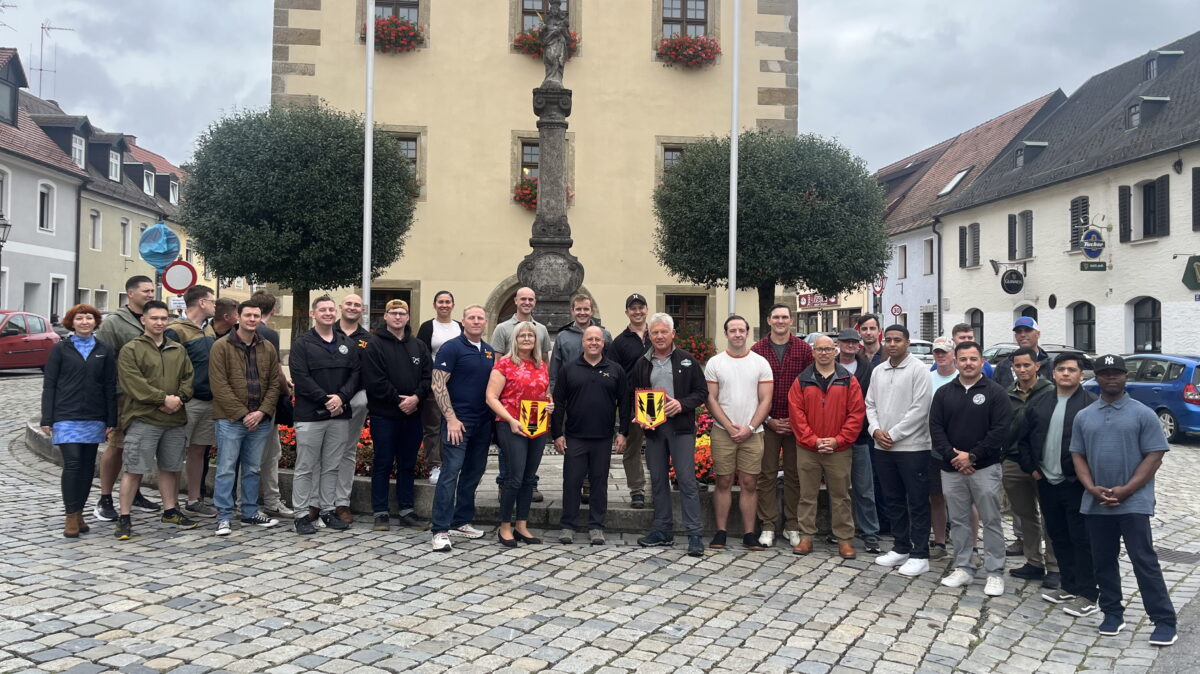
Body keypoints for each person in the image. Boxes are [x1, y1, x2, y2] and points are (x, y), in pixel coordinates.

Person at [1070, 354, 1177, 646]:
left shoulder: (1142, 413)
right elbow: (1077, 454)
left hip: (1134, 502)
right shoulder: (1084, 416)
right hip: (1096, 502)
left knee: (1144, 560)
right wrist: (1090, 487)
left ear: (1125, 376)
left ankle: (1164, 620)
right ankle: (1112, 613)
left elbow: (1155, 454)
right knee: (1103, 561)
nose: (1111, 378)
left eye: (1116, 373)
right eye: (1105, 373)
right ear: (1097, 377)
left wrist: (1128, 489)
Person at [1016, 352, 1100, 617]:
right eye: (1061, 369)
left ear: (1081, 375)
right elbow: (1024, 440)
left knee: (1081, 538)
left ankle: (1088, 593)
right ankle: (1069, 585)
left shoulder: (1091, 405)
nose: (1066, 374)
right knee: (1058, 536)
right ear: (1052, 373)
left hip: (1076, 483)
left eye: (1071, 370)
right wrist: (1032, 470)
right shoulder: (1039, 403)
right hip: (1047, 481)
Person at [929, 341, 1012, 597]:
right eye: (963, 359)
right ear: (956, 360)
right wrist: (953, 456)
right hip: (951, 468)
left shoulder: (996, 393)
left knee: (991, 520)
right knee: (960, 520)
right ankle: (964, 566)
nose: (968, 363)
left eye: (973, 359)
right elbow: (936, 428)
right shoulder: (944, 393)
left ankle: (995, 572)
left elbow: (999, 431)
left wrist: (973, 456)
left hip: (984, 468)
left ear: (982, 362)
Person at [113, 299, 197, 540]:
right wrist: (163, 400)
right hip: (143, 418)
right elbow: (133, 384)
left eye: (163, 318)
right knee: (134, 469)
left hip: (174, 419)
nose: (160, 322)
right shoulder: (131, 349)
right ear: (144, 320)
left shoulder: (177, 349)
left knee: (170, 468)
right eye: (154, 318)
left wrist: (179, 398)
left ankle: (171, 511)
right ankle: (125, 516)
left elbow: (188, 378)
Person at [630, 313, 708, 557]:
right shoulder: (642, 363)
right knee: (658, 480)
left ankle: (694, 533)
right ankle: (662, 530)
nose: (660, 336)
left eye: (664, 332)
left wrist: (682, 404)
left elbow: (701, 392)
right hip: (654, 430)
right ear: (649, 336)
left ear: (673, 334)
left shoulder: (687, 360)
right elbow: (636, 393)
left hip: (681, 428)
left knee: (686, 480)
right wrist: (639, 415)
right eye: (655, 333)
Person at [40, 304, 118, 537]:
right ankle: (70, 516)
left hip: (94, 416)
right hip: (66, 415)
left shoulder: (104, 349)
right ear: (71, 323)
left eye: (89, 318)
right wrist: (47, 417)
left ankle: (80, 512)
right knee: (72, 464)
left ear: (96, 322)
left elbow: (109, 386)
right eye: (79, 318)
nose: (84, 322)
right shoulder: (61, 349)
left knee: (86, 468)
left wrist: (110, 418)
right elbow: (50, 384)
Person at [208, 301, 283, 536]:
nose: (252, 319)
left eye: (256, 315)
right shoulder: (221, 346)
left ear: (261, 318)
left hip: (260, 420)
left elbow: (274, 383)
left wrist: (261, 412)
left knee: (252, 468)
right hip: (231, 419)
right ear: (238, 317)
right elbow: (219, 386)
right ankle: (224, 515)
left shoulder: (268, 347)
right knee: (226, 468)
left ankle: (250, 512)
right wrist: (243, 414)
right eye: (248, 315)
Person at [552, 325, 631, 545]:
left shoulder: (615, 370)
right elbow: (558, 403)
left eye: (598, 339)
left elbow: (625, 403)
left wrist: (623, 432)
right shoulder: (568, 369)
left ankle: (597, 526)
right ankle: (568, 525)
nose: (594, 342)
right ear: (583, 343)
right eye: (589, 339)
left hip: (603, 437)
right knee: (572, 482)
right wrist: (557, 433)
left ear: (604, 342)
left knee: (599, 483)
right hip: (575, 436)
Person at [289, 295, 361, 534]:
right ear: (314, 314)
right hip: (310, 415)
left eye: (331, 309)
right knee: (306, 467)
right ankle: (301, 514)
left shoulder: (346, 344)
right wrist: (326, 399)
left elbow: (355, 375)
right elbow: (300, 376)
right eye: (323, 310)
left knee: (332, 466)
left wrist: (341, 397)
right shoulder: (303, 343)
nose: (328, 313)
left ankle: (328, 510)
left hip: (339, 415)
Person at [788, 335, 865, 559]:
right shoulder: (801, 380)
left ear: (835, 352)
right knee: (807, 495)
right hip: (808, 448)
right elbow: (796, 414)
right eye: (819, 349)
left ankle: (844, 540)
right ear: (813, 353)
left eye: (828, 349)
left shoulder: (848, 380)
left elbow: (856, 414)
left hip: (838, 449)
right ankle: (806, 537)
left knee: (841, 496)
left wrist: (838, 440)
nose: (823, 353)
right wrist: (812, 440)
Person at [865, 324, 933, 576]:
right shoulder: (879, 371)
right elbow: (869, 404)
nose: (892, 344)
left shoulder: (919, 370)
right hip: (883, 446)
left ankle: (920, 553)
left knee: (916, 501)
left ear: (907, 343)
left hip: (912, 448)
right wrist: (876, 431)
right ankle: (901, 546)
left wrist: (893, 434)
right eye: (889, 340)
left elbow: (920, 409)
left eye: (898, 340)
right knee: (893, 499)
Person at [93, 275, 161, 521]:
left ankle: (135, 494)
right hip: (122, 396)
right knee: (117, 446)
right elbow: (102, 362)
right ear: (130, 293)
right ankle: (105, 498)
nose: (150, 294)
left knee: (141, 447)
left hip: (149, 396)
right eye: (145, 291)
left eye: (152, 290)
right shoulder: (113, 324)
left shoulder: (153, 319)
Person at [704, 315, 773, 551]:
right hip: (723, 431)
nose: (737, 334)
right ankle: (721, 532)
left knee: (749, 482)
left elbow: (766, 400)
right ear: (726, 334)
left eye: (741, 330)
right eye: (732, 330)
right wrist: (729, 425)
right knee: (722, 480)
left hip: (753, 432)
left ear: (747, 333)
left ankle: (749, 534)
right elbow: (711, 399)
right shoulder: (715, 363)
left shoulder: (760, 363)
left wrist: (750, 427)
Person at [429, 305, 495, 552]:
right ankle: (440, 529)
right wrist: (451, 418)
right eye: (471, 318)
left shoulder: (488, 352)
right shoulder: (452, 347)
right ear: (463, 322)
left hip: (482, 423)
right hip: (458, 423)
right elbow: (438, 385)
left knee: (473, 474)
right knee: (450, 474)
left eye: (480, 318)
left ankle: (461, 521)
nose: (476, 321)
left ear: (485, 322)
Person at [363, 299, 432, 531]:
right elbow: (374, 380)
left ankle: (407, 510)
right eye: (393, 313)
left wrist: (416, 398)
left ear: (408, 317)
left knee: (407, 464)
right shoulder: (374, 345)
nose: (398, 317)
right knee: (382, 463)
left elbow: (427, 377)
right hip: (384, 415)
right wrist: (398, 400)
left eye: (402, 313)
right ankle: (380, 512)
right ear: (386, 316)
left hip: (412, 415)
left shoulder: (418, 346)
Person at [750, 303, 814, 548]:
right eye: (776, 317)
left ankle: (792, 525)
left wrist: (795, 420)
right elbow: (752, 390)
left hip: (796, 424)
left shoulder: (803, 349)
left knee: (795, 476)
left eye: (784, 317)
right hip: (766, 423)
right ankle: (767, 525)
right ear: (769, 320)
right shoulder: (757, 350)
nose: (780, 321)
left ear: (791, 320)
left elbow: (809, 388)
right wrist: (769, 420)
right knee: (765, 476)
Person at [487, 321, 553, 546]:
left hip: (537, 424)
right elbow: (491, 397)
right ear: (515, 339)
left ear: (537, 340)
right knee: (514, 477)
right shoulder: (504, 364)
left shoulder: (541, 365)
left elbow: (545, 392)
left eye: (531, 336)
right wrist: (510, 420)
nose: (526, 338)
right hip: (511, 424)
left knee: (528, 478)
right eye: (522, 335)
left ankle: (522, 526)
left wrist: (549, 404)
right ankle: (504, 526)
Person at [1002, 347, 1060, 588]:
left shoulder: (1051, 392)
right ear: (1013, 368)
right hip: (1014, 462)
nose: (1022, 370)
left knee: (1050, 516)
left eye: (1027, 365)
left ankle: (1055, 566)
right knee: (1025, 514)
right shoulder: (1007, 394)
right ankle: (1034, 561)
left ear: (1037, 366)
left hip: (1042, 463)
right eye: (1018, 366)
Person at [490, 287, 552, 500]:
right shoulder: (502, 328)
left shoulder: (541, 329)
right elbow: (497, 360)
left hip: (535, 402)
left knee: (533, 445)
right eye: (523, 298)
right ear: (515, 301)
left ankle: (530, 484)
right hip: (510, 398)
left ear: (535, 302)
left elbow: (543, 361)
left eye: (530, 299)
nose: (526, 302)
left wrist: (547, 393)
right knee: (508, 448)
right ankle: (504, 483)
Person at [165, 285, 219, 519]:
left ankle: (194, 499)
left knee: (199, 450)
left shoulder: (208, 331)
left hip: (209, 401)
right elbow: (169, 369)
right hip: (187, 402)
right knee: (175, 451)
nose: (215, 305)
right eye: (212, 301)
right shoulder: (175, 331)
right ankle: (171, 503)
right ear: (201, 303)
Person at [835, 327, 881, 554]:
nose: (850, 346)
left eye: (854, 342)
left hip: (860, 436)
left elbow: (873, 401)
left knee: (864, 488)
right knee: (839, 489)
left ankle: (870, 532)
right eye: (846, 342)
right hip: (834, 438)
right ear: (839, 344)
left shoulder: (868, 369)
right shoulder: (828, 365)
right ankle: (840, 532)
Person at [250, 290, 294, 518]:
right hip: (266, 404)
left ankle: (246, 501)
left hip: (245, 404)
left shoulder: (234, 333)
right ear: (273, 310)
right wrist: (286, 391)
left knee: (248, 456)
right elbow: (275, 371)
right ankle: (271, 500)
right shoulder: (270, 334)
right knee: (269, 455)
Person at [610, 293, 652, 509]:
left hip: (656, 399)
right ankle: (637, 490)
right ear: (627, 312)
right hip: (632, 401)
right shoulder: (619, 342)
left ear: (646, 309)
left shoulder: (658, 334)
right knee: (633, 447)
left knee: (657, 446)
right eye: (633, 308)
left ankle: (660, 486)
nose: (637, 312)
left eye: (641, 307)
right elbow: (616, 375)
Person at [333, 293, 372, 525]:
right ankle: (318, 502)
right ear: (341, 307)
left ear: (363, 309)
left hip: (354, 401)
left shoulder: (367, 339)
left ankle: (341, 503)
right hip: (325, 401)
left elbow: (367, 373)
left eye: (357, 305)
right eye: (349, 303)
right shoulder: (326, 332)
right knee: (322, 454)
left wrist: (346, 397)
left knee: (347, 453)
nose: (352, 307)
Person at [416, 290, 462, 485]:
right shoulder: (428, 327)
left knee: (452, 424)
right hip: (435, 384)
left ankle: (451, 464)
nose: (444, 305)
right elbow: (422, 355)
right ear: (435, 305)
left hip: (456, 383)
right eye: (440, 302)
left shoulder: (460, 327)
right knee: (433, 425)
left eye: (448, 301)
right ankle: (435, 465)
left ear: (453, 305)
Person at [927, 335, 959, 560]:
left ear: (953, 354)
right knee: (936, 496)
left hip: (960, 448)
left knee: (964, 499)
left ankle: (969, 545)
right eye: (937, 352)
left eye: (944, 352)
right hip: (932, 447)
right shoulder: (927, 378)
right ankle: (939, 542)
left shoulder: (963, 378)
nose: (940, 356)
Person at [993, 317, 1052, 389]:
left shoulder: (1051, 366)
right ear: (1015, 336)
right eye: (1019, 331)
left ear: (1038, 334)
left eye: (1028, 330)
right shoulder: (1003, 366)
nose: (1023, 335)